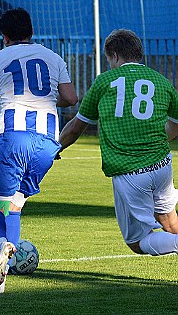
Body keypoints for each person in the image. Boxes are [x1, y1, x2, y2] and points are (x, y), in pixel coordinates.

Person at [58, 28, 178, 257]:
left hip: (130, 172)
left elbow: (75, 128)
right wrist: (158, 138)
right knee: (169, 221)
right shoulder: (161, 81)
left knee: (138, 241)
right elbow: (176, 123)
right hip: (162, 166)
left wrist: (56, 148)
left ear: (113, 55)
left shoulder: (105, 81)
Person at [0, 8, 78, 293]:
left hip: (11, 139)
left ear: (4, 36)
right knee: (16, 204)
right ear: (32, 32)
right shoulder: (53, 57)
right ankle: (1, 281)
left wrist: (1, 107)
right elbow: (71, 98)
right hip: (47, 143)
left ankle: (2, 246)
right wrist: (47, 101)